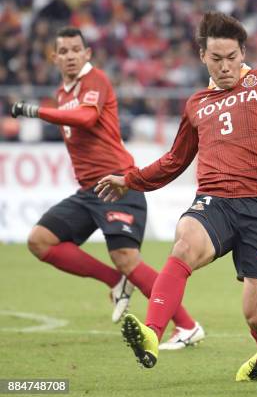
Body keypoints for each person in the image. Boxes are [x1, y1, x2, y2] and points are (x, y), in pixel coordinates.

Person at [95, 12, 257, 379]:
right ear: (202, 56)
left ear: (242, 52)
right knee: (184, 241)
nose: (225, 66)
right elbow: (174, 161)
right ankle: (152, 334)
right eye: (216, 59)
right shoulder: (196, 104)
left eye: (232, 57)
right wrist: (130, 179)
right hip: (214, 201)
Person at [10, 27, 204, 350]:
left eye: (76, 50)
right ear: (54, 57)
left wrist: (34, 110)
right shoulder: (62, 94)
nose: (71, 56)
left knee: (127, 257)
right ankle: (116, 281)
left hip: (117, 183)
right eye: (64, 51)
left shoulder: (95, 80)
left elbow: (86, 119)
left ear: (87, 55)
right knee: (40, 241)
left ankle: (187, 326)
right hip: (89, 191)